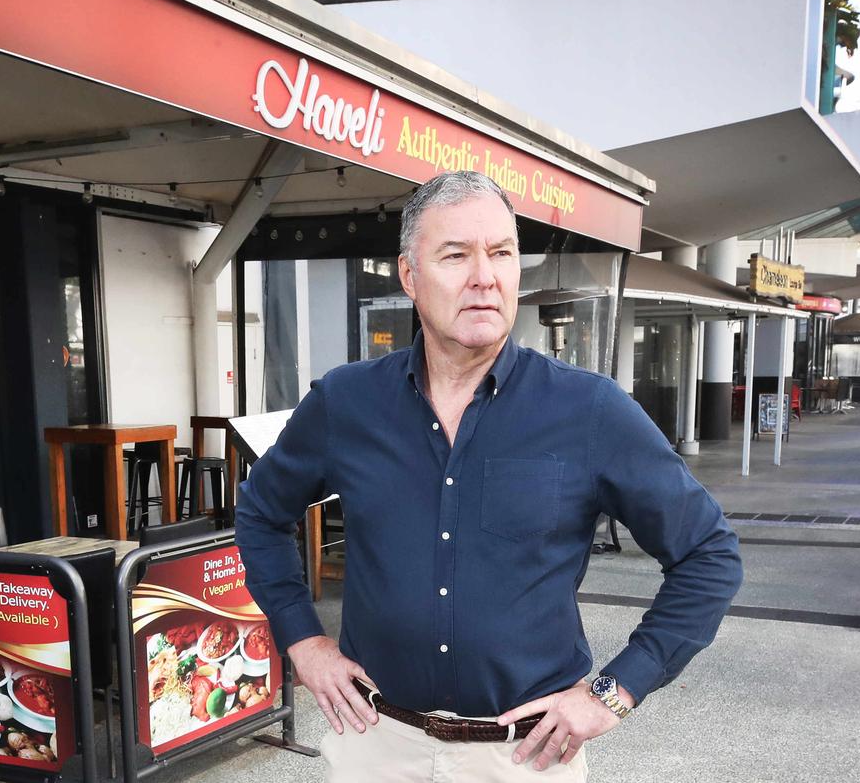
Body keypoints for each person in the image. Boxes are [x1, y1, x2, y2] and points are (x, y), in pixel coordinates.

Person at [235, 171, 743, 782]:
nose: (485, 276)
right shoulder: (347, 403)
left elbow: (708, 554)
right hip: (377, 744)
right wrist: (303, 642)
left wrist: (614, 693)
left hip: (524, 758)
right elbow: (262, 512)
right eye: (456, 255)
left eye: (502, 253)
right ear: (408, 275)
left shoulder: (589, 410)